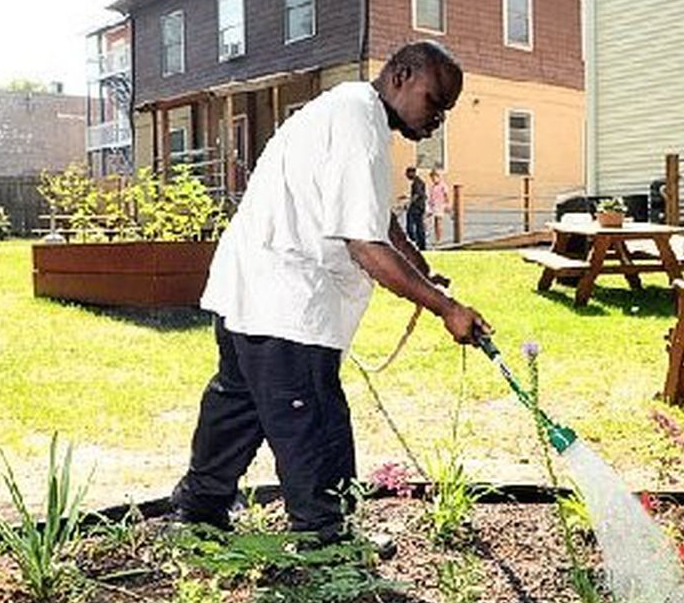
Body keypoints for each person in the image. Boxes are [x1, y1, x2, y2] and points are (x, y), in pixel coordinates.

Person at [171, 41, 490, 544]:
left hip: (246, 292)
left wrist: (423, 274)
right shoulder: (358, 126)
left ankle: (198, 511)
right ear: (402, 76)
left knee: (237, 407)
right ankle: (325, 540)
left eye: (446, 110)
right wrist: (445, 308)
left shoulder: (347, 111)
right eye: (435, 102)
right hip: (284, 303)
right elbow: (365, 245)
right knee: (314, 422)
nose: (438, 120)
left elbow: (378, 219)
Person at [404, 166, 427, 250]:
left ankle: (416, 241)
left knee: (411, 226)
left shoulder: (417, 182)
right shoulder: (418, 182)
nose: (406, 175)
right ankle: (421, 244)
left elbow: (417, 194)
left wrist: (409, 203)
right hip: (419, 207)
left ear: (412, 173)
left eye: (407, 173)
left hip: (416, 207)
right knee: (419, 226)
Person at [427, 168, 449, 245]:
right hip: (433, 206)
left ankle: (439, 239)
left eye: (434, 177)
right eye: (432, 178)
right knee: (433, 223)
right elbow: (430, 197)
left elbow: (446, 196)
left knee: (438, 223)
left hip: (440, 206)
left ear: (438, 177)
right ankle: (436, 238)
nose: (433, 179)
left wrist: (447, 205)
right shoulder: (432, 187)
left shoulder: (443, 186)